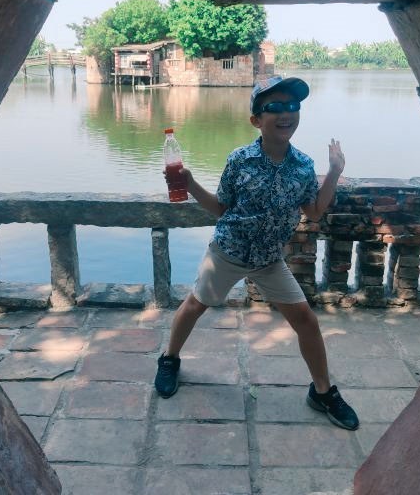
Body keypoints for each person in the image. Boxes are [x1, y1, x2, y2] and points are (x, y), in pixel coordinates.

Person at [154, 75, 359, 431]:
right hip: (228, 251)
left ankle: (323, 392)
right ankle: (169, 359)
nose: (286, 114)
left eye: (293, 106)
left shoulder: (303, 166)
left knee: (306, 322)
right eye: (274, 107)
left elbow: (313, 211)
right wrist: (189, 184)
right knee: (194, 306)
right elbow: (221, 208)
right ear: (256, 120)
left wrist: (335, 173)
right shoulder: (240, 161)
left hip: (269, 260)